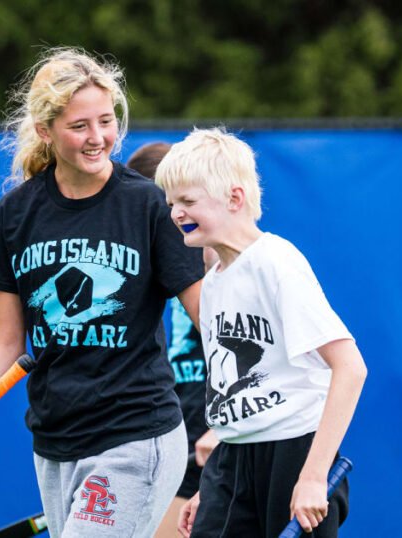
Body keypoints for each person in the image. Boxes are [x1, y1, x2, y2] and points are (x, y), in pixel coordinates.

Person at [0, 48, 204, 538]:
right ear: (45, 130)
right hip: (54, 443)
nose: (98, 138)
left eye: (106, 121)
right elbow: (4, 343)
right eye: (80, 125)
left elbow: (209, 318)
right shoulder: (15, 215)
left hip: (137, 433)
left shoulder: (147, 205)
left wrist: (240, 424)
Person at [154, 128, 367, 538]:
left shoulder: (276, 263)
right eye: (171, 203)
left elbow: (351, 368)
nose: (175, 213)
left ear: (234, 198)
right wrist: (216, 488)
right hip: (233, 459)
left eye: (188, 201)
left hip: (294, 452)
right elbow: (231, 385)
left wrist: (312, 475)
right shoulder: (214, 280)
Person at [126, 142, 220, 538]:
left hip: (219, 450)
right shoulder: (132, 270)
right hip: (165, 449)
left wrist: (229, 429)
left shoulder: (230, 264)